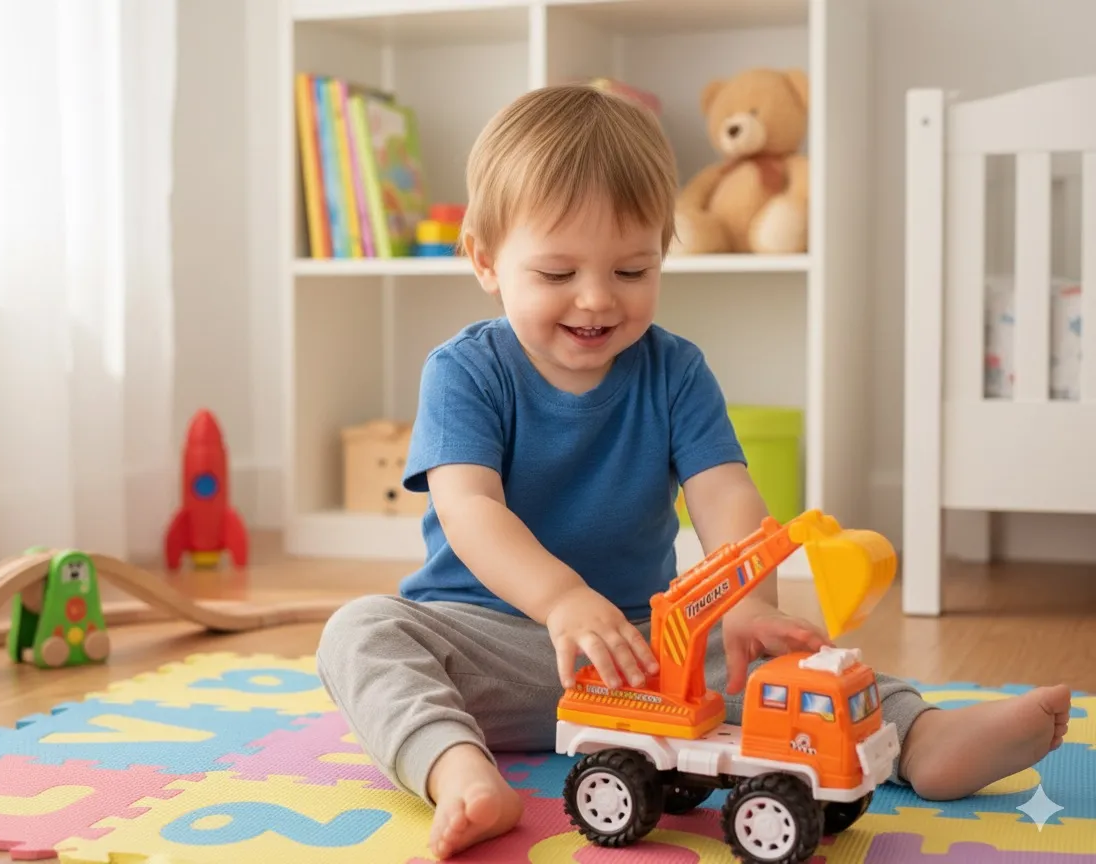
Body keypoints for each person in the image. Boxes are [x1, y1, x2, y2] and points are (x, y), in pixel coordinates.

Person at [316, 84, 1071, 861]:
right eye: (555, 274)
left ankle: (923, 739)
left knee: (799, 669)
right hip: (491, 643)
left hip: (648, 654)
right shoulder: (465, 373)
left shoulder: (675, 371)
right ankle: (458, 769)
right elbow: (470, 508)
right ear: (484, 259)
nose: (596, 298)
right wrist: (562, 602)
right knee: (361, 633)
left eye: (633, 269)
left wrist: (747, 608)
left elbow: (725, 493)